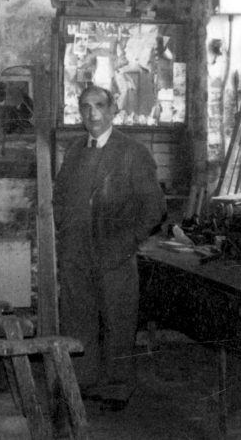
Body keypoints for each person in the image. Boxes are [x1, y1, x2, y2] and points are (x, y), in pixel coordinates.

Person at [53, 84, 167, 406]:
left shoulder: (132, 152)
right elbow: (60, 198)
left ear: (113, 109)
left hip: (114, 254)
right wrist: (65, 233)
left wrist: (126, 243)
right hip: (76, 254)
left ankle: (117, 387)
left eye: (99, 106)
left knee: (118, 322)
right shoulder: (75, 151)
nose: (92, 114)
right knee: (79, 320)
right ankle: (84, 382)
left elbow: (154, 208)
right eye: (86, 107)